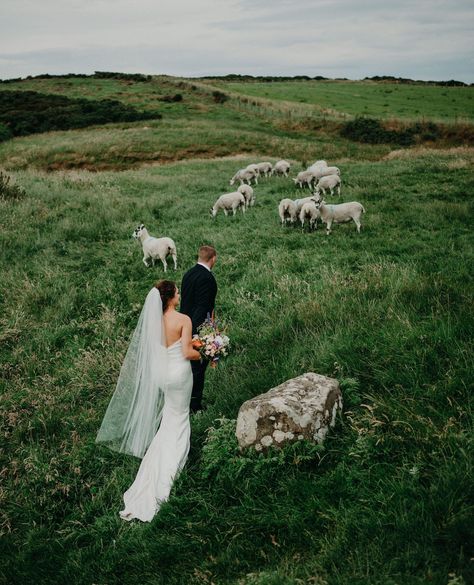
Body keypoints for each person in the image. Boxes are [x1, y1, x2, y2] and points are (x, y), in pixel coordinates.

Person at [96, 280, 201, 522]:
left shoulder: (154, 321)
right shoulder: (183, 319)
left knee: (169, 417)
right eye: (177, 291)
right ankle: (173, 465)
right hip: (179, 375)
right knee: (180, 416)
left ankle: (156, 460)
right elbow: (186, 352)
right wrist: (208, 351)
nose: (179, 294)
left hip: (162, 376)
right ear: (171, 296)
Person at [180, 245, 218, 413]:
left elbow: (186, 303)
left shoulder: (188, 274)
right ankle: (194, 406)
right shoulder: (208, 278)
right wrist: (197, 333)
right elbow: (202, 308)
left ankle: (187, 400)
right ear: (213, 258)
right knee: (198, 368)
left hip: (184, 324)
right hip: (197, 329)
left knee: (188, 367)